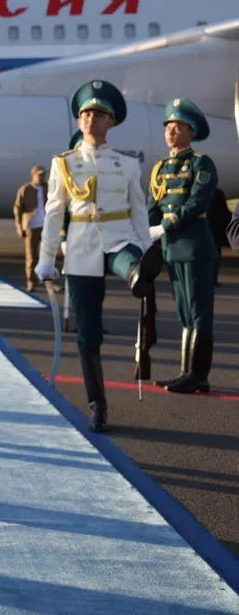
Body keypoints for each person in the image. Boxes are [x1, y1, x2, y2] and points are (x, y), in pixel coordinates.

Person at [35, 79, 160, 432]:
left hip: (120, 238)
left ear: (111, 123)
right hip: (81, 245)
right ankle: (97, 404)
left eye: (99, 114)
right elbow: (55, 212)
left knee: (129, 262)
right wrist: (47, 258)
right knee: (87, 335)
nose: (91, 119)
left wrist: (148, 246)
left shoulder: (128, 164)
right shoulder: (64, 163)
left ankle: (140, 274)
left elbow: (138, 211)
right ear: (79, 121)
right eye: (86, 114)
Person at [148, 99, 218, 393]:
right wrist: (142, 237)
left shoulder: (201, 163)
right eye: (169, 127)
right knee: (184, 312)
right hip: (171, 248)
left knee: (199, 311)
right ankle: (185, 372)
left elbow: (197, 202)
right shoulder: (161, 168)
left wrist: (166, 224)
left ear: (192, 133)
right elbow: (153, 207)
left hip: (195, 245)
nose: (172, 132)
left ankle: (198, 374)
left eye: (179, 128)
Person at [13, 165, 48, 291]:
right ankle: (31, 281)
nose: (42, 177)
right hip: (31, 226)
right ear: (33, 175)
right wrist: (19, 226)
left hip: (46, 226)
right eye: (39, 174)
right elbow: (17, 208)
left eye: (43, 174)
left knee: (47, 256)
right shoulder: (25, 189)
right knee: (31, 257)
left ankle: (48, 281)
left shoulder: (48, 188)